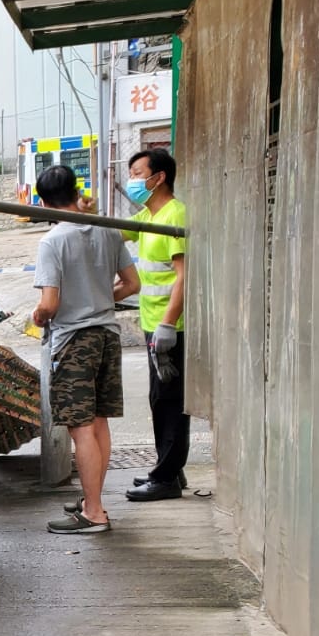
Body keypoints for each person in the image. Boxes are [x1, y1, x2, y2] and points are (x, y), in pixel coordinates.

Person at [31, 165, 141, 534]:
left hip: (74, 340)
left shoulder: (53, 241)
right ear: (76, 191)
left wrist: (38, 316)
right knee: (99, 423)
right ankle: (94, 500)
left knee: (80, 429)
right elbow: (132, 283)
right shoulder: (107, 231)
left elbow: (49, 303)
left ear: (43, 201)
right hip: (108, 335)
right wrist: (98, 300)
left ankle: (93, 512)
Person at [120, 148, 189, 503]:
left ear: (158, 176)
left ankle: (166, 478)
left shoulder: (173, 216)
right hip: (153, 322)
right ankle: (169, 469)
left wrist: (168, 324)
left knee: (170, 401)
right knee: (158, 399)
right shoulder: (149, 213)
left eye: (137, 173)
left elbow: (183, 277)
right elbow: (117, 234)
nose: (133, 180)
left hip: (170, 328)